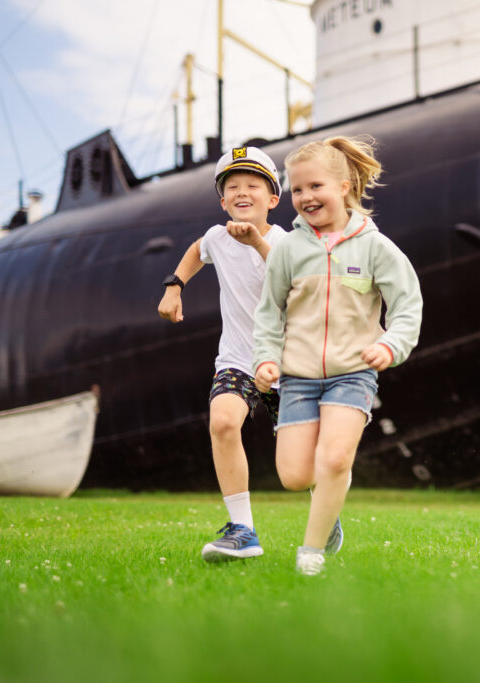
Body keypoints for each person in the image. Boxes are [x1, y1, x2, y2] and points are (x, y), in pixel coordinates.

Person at [252, 135, 423, 576]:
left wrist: (390, 345)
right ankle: (328, 505)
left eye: (315, 187)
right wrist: (265, 359)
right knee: (294, 475)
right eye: (297, 190)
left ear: (344, 186)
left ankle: (311, 552)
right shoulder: (288, 250)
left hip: (353, 373)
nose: (305, 197)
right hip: (299, 378)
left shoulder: (374, 247)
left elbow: (407, 305)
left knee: (335, 459)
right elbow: (268, 313)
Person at [157, 146, 288, 562]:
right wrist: (175, 284)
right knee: (223, 423)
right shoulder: (217, 236)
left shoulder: (286, 241)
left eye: (253, 185)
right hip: (237, 359)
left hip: (289, 362)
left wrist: (256, 243)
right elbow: (199, 249)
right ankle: (244, 530)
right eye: (232, 187)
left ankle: (325, 504)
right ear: (223, 201)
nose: (242, 192)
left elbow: (292, 279)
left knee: (296, 463)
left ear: (273, 199)